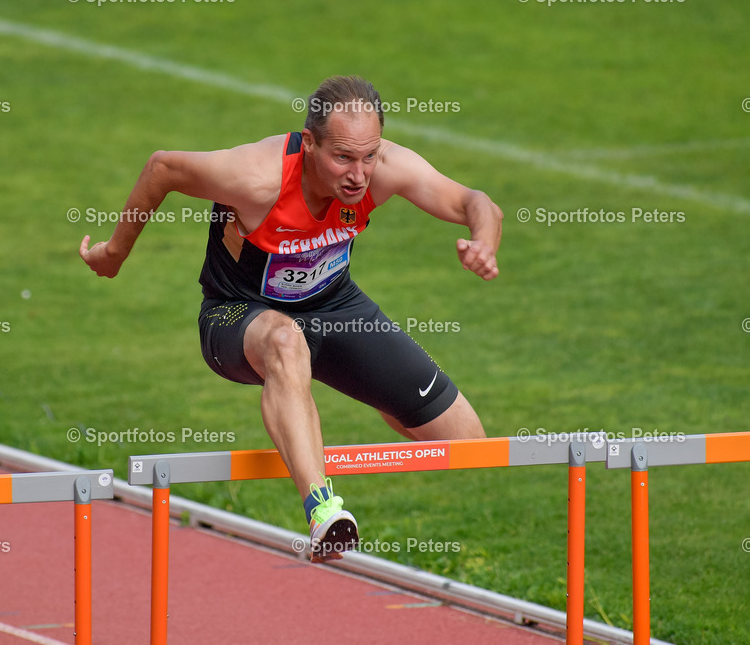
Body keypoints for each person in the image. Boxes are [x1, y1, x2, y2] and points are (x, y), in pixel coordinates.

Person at [80, 75, 502, 562]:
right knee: (285, 341)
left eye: (368, 156)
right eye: (342, 157)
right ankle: (322, 509)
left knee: (469, 446)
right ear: (309, 144)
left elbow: (478, 202)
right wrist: (114, 252)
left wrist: (483, 243)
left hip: (334, 308)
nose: (358, 175)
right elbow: (163, 168)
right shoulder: (257, 176)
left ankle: (382, 396)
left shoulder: (384, 168)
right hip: (239, 314)